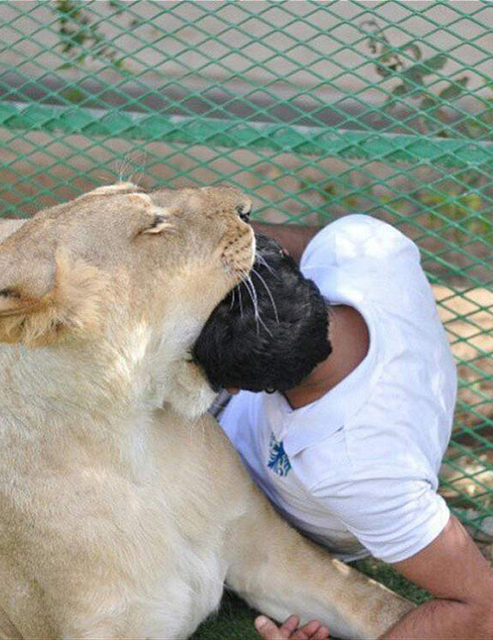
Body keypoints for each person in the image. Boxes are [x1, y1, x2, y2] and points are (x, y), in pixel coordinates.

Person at [206, 215, 493, 640]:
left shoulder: (362, 472)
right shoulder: (362, 246)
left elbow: (481, 608)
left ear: (239, 386)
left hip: (255, 505)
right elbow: (313, 240)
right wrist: (228, 232)